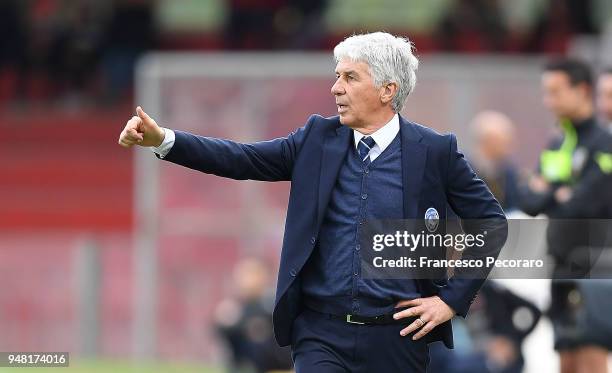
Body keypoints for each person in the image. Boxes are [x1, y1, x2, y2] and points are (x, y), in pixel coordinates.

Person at [118, 32, 506, 372]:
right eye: (337, 76)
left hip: (398, 336)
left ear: (388, 90)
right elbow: (242, 158)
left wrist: (450, 300)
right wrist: (165, 140)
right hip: (322, 333)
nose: (336, 88)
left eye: (350, 77)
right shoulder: (316, 139)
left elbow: (492, 222)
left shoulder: (435, 151)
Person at [519, 59, 612, 373]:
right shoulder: (559, 142)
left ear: (582, 91)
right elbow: (528, 200)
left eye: (555, 92)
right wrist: (556, 192)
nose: (549, 101)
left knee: (590, 359)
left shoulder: (605, 143)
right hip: (559, 263)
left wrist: (550, 190)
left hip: (596, 264)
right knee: (566, 361)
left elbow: (583, 206)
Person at [468, 111, 520, 212]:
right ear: (488, 141)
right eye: (505, 141)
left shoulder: (509, 173)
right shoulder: (462, 170)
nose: (510, 147)